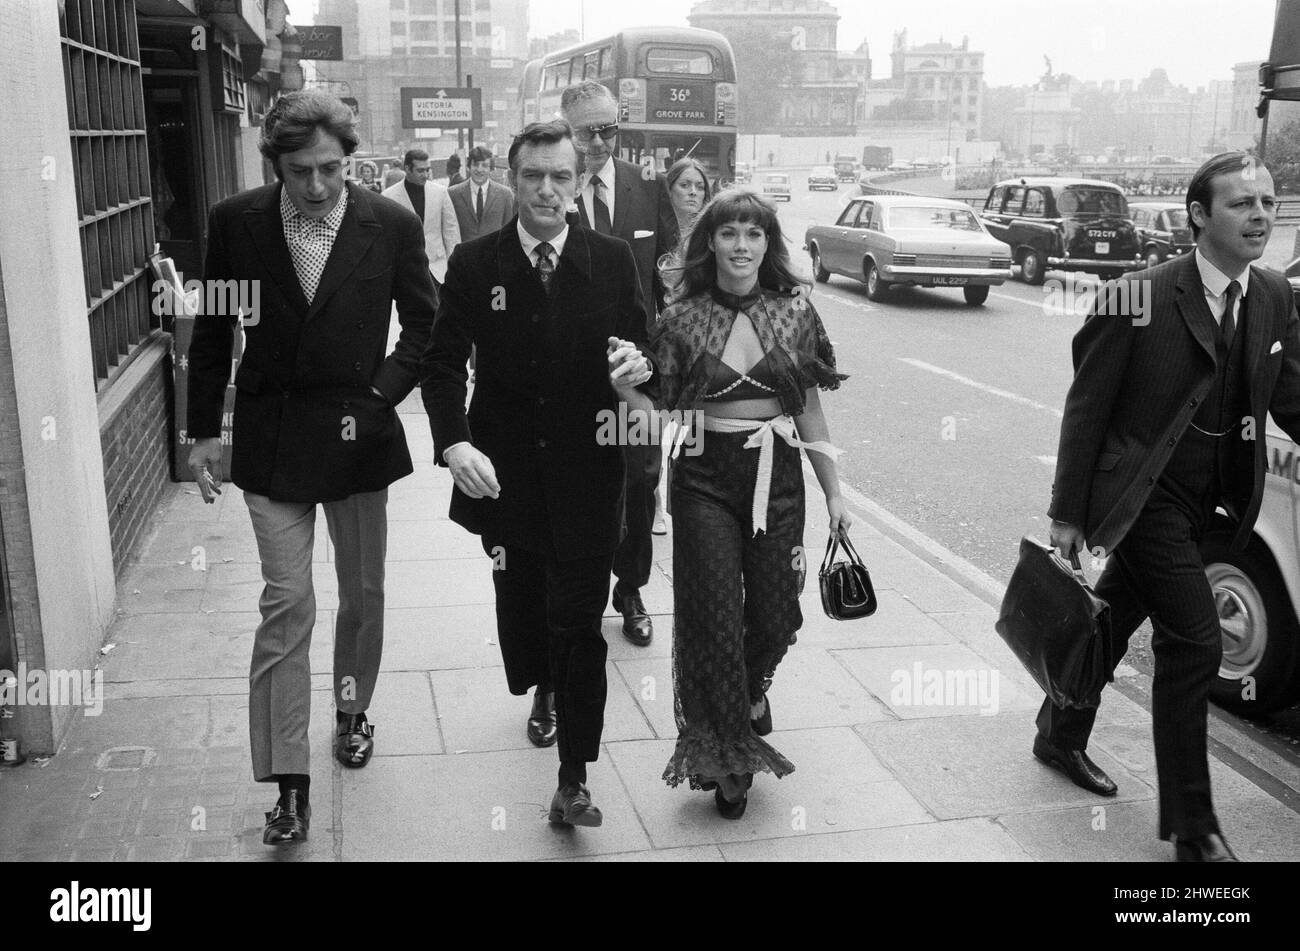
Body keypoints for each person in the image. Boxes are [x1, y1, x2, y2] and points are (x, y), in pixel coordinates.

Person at [186, 90, 437, 846]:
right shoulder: (237, 222)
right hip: (271, 437)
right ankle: (288, 782)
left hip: (358, 434)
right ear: (276, 166)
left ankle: (353, 709)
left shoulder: (389, 223)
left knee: (362, 592)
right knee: (287, 603)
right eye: (302, 172)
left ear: (349, 161)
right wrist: (203, 431)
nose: (320, 185)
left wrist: (383, 394)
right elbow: (213, 328)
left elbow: (427, 323)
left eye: (332, 168)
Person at [1044, 151, 1300, 862]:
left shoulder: (1274, 295)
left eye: (1270, 203)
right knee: (1195, 641)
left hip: (1215, 501)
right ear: (1198, 215)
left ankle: (1057, 730)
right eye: (1242, 203)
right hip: (1144, 495)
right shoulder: (1140, 295)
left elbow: (1291, 397)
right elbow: (1086, 407)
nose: (1260, 216)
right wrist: (1068, 510)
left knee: (1112, 620)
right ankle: (1194, 826)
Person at [420, 120, 654, 827]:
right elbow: (439, 366)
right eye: (533, 176)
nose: (547, 189)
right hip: (504, 475)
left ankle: (574, 777)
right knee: (524, 610)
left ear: (579, 182)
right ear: (512, 179)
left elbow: (647, 356)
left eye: (561, 176)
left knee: (581, 623)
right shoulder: (474, 264)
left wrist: (639, 372)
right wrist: (454, 444)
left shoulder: (610, 261)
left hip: (589, 473)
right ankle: (541, 686)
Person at [650, 189, 850, 818]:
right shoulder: (681, 319)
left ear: (770, 244)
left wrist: (835, 493)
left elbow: (810, 406)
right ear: (709, 242)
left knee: (775, 612)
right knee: (712, 616)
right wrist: (622, 385)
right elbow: (654, 407)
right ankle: (729, 758)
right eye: (729, 233)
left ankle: (752, 688)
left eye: (754, 234)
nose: (742, 245)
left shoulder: (795, 312)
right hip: (705, 477)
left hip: (779, 472)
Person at [560, 79, 679, 648]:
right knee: (578, 487)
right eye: (589, 131)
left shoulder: (646, 189)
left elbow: (670, 281)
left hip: (639, 373)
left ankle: (630, 589)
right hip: (569, 373)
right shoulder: (550, 189)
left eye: (611, 129)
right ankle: (575, 600)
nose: (601, 141)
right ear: (568, 129)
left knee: (641, 481)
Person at [653, 157, 714, 534]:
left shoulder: (714, 230)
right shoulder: (656, 229)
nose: (693, 193)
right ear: (669, 190)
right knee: (656, 425)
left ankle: (688, 500)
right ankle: (656, 501)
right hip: (662, 337)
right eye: (685, 185)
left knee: (693, 424)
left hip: (703, 341)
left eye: (699, 187)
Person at [381, 148, 461, 290]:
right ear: (407, 169)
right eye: (420, 171)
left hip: (438, 270)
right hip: (406, 273)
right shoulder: (389, 196)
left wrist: (454, 266)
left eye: (427, 170)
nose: (425, 175)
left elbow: (451, 231)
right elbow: (386, 239)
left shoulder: (440, 192)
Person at [449, 145, 515, 241]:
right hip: (465, 254)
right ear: (468, 167)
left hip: (494, 254)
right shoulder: (453, 193)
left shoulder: (505, 195)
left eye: (484, 165)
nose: (479, 169)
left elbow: (508, 231)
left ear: (491, 168)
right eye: (475, 164)